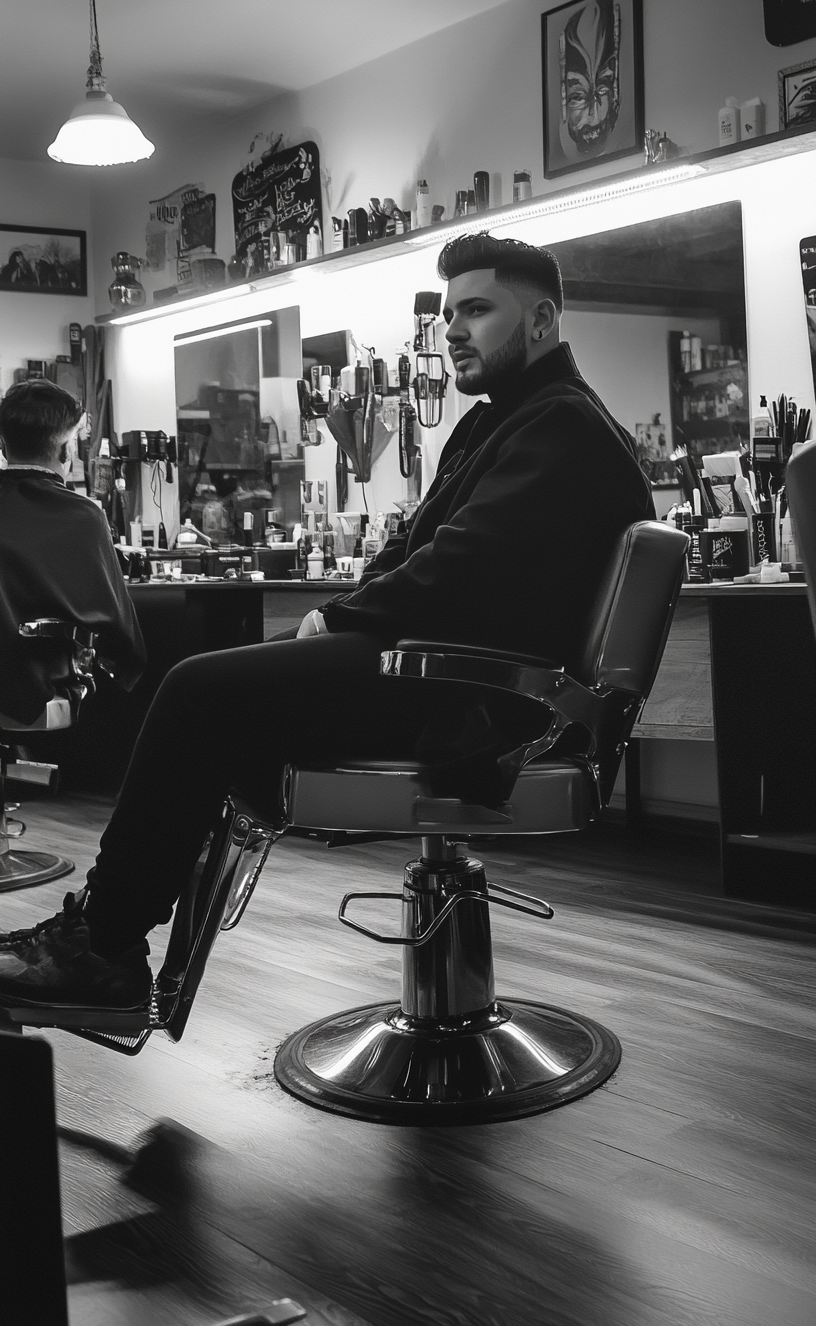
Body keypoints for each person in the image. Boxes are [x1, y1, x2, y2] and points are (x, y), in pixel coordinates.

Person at [0, 235, 654, 1016]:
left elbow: (461, 569)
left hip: (485, 703)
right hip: (452, 676)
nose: (453, 330)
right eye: (448, 315)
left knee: (196, 691)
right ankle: (107, 931)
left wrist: (338, 614)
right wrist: (340, 612)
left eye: (476, 310)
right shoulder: (500, 423)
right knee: (218, 685)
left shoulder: (563, 427)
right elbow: (418, 552)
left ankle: (103, 946)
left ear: (543, 319)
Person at [0, 379, 145, 723]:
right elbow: (118, 626)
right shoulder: (83, 515)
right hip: (37, 687)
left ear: (4, 447)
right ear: (66, 452)